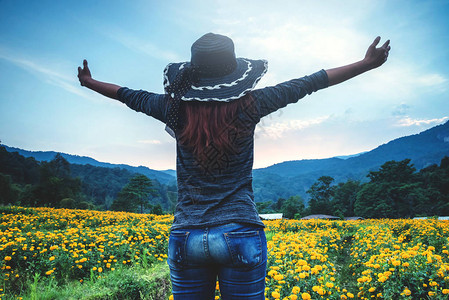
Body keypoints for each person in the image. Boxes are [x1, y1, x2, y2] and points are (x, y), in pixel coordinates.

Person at [78, 32, 390, 299]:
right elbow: (309, 83)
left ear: (193, 72)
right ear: (234, 74)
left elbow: (127, 95)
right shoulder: (250, 104)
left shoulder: (172, 107)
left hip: (186, 234)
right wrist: (366, 64)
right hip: (239, 230)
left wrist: (89, 83)